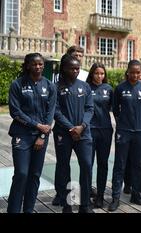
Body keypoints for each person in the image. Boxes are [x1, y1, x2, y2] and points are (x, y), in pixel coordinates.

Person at [7, 53, 57, 213]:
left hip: (41, 138)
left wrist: (42, 135)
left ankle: (28, 209)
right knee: (21, 173)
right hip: (22, 135)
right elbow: (15, 111)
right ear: (28, 65)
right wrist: (37, 125)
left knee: (35, 175)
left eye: (41, 64)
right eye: (35, 64)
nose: (38, 67)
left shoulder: (50, 86)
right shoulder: (17, 85)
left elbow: (50, 113)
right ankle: (13, 210)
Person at [53, 54, 94, 213]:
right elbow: (55, 112)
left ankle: (85, 204)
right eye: (73, 68)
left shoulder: (85, 86)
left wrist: (82, 126)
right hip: (64, 133)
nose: (76, 71)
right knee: (64, 167)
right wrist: (71, 128)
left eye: (78, 68)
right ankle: (67, 204)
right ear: (64, 68)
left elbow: (90, 109)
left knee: (86, 165)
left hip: (83, 134)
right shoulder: (56, 87)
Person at [109, 60, 141, 211]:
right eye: (132, 72)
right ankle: (115, 197)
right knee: (120, 165)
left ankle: (136, 193)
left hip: (140, 132)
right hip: (124, 132)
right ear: (127, 72)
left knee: (137, 164)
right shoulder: (120, 88)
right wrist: (124, 123)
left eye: (137, 72)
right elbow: (115, 109)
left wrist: (138, 120)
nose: (135, 75)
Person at [86, 63, 113, 209]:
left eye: (102, 73)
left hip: (105, 131)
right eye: (97, 73)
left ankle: (100, 196)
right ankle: (87, 194)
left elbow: (114, 109)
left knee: (103, 164)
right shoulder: (85, 88)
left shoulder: (108, 89)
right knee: (88, 164)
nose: (99, 76)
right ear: (92, 74)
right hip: (89, 130)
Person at [124, 65, 141, 194]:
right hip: (129, 128)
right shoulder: (124, 89)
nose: (138, 77)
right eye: (135, 74)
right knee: (128, 157)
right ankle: (128, 183)